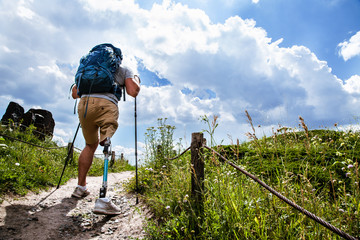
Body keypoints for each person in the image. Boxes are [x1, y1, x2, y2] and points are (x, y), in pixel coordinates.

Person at [71, 49, 140, 214]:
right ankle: (102, 199)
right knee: (106, 143)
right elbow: (133, 91)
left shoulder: (88, 68)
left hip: (85, 105)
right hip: (107, 105)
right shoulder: (124, 69)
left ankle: (80, 187)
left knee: (90, 145)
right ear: (118, 58)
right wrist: (136, 78)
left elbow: (75, 93)